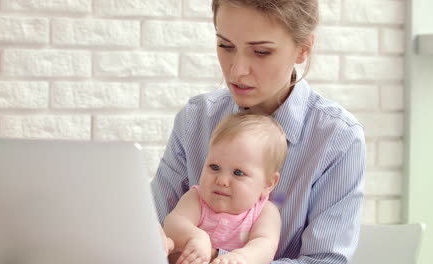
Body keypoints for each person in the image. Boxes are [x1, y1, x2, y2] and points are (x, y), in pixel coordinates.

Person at [152, 0, 366, 263]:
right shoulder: (196, 119)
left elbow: (325, 260)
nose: (237, 70)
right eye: (225, 46)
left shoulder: (337, 139)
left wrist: (221, 256)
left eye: (261, 52)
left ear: (303, 49)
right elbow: (150, 228)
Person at [163, 113, 287, 264]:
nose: (221, 180)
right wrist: (195, 237)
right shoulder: (197, 198)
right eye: (214, 167)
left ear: (268, 183)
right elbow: (173, 223)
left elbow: (265, 245)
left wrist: (241, 257)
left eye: (238, 173)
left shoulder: (264, 212)